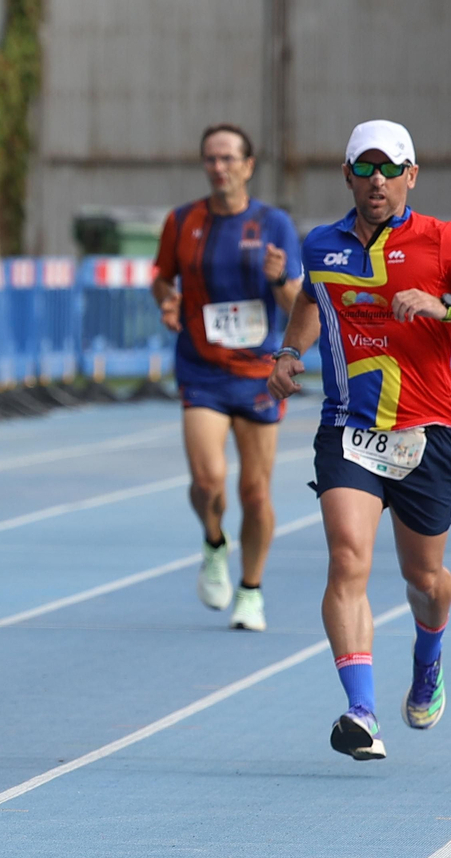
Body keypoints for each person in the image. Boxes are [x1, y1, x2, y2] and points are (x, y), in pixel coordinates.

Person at [269, 120, 451, 761]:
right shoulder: (321, 244)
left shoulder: (443, 239)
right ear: (347, 174)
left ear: (412, 175)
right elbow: (309, 296)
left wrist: (445, 308)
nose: (376, 180)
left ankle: (429, 655)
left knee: (425, 577)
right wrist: (288, 351)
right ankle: (361, 710)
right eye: (364, 168)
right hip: (347, 427)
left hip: (426, 432)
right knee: (348, 558)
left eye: (389, 169)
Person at [151, 124, 303, 632]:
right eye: (211, 159)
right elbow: (160, 277)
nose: (219, 167)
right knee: (206, 480)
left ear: (248, 165)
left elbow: (294, 305)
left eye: (228, 158)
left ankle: (251, 589)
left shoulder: (273, 223)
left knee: (255, 493)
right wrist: (167, 303)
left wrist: (280, 278)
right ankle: (214, 542)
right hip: (202, 368)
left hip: (259, 373)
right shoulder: (183, 221)